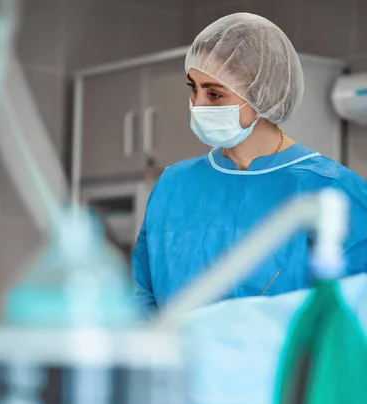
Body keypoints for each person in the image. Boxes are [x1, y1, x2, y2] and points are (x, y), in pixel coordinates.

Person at [132, 12, 367, 315]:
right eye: (193, 87)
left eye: (214, 94)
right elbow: (145, 300)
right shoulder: (173, 186)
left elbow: (352, 321)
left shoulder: (337, 193)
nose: (197, 105)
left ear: (262, 94)